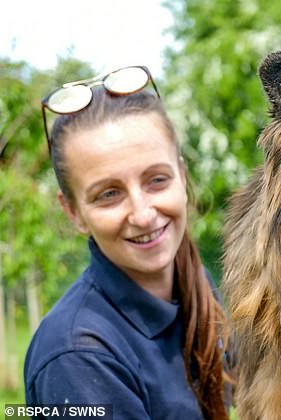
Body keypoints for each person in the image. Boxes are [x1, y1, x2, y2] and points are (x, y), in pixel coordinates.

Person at [24, 66, 229, 419]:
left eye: (156, 180)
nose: (143, 214)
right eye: (108, 194)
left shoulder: (195, 288)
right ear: (73, 212)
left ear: (182, 175)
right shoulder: (77, 357)